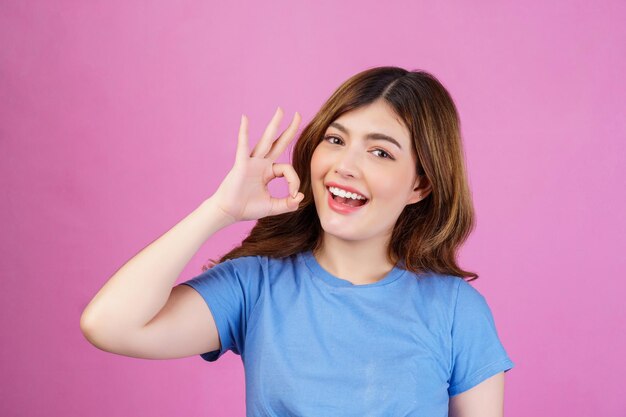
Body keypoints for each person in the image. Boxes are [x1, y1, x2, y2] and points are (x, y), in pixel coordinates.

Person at [80, 66, 515, 416]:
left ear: (420, 185)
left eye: (379, 151)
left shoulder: (457, 311)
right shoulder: (254, 286)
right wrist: (219, 211)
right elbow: (109, 325)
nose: (345, 165)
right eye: (335, 139)